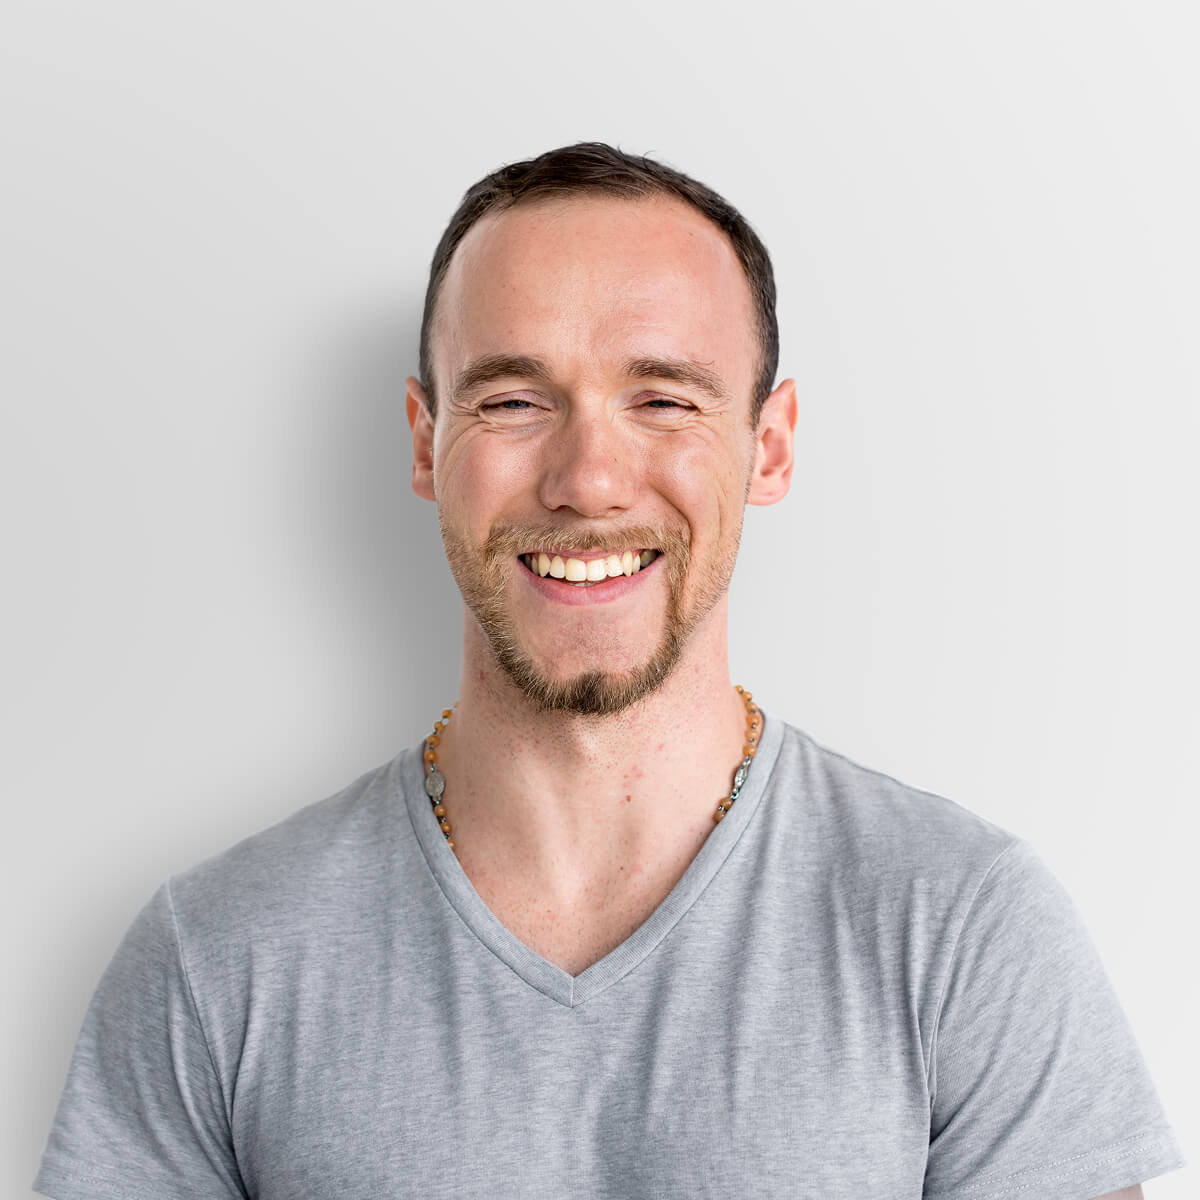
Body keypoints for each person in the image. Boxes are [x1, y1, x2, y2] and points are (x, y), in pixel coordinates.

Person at [35, 143, 1184, 1199]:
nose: (588, 479)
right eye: (514, 401)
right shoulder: (216, 956)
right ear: (425, 442)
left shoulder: (963, 929)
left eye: (663, 400)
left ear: (770, 444)